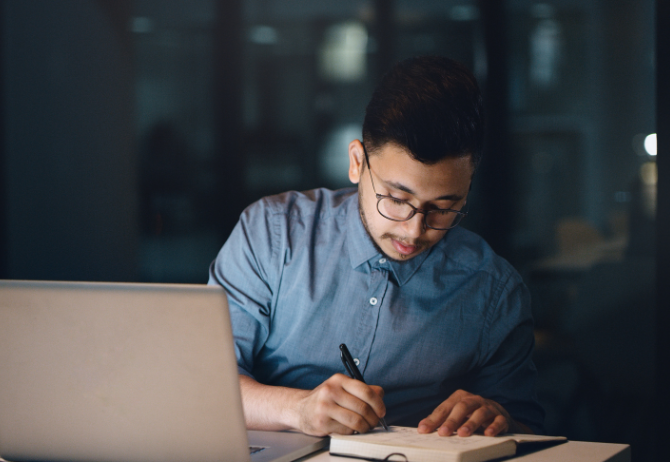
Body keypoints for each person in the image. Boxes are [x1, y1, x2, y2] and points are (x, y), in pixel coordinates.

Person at [208, 56, 545, 437]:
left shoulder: (493, 290)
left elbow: (527, 431)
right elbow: (205, 382)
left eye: (444, 208)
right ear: (356, 163)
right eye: (397, 199)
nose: (415, 230)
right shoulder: (273, 233)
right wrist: (298, 410)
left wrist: (498, 420)